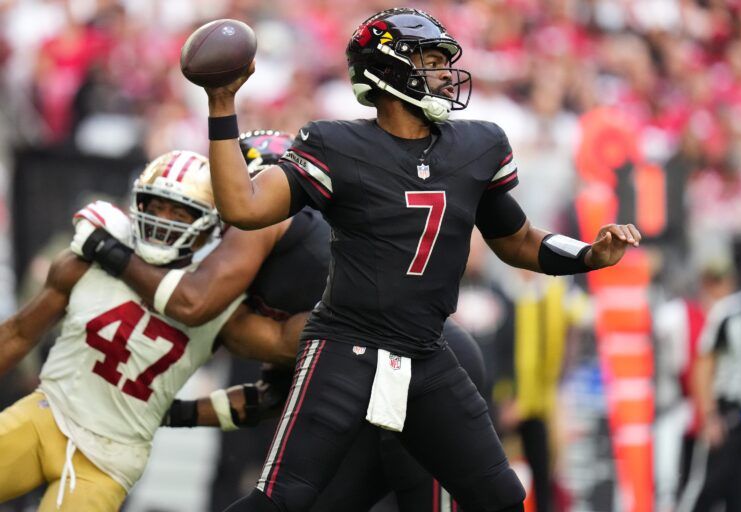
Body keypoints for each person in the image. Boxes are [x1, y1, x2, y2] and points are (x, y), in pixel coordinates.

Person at [201, 8, 641, 512]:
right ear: (385, 71)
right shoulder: (335, 144)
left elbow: (516, 239)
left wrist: (588, 254)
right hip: (347, 346)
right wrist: (221, 104)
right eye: (430, 61)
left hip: (425, 351)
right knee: (282, 501)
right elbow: (244, 206)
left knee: (502, 499)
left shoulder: (477, 146)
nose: (444, 75)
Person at [74, 130, 492, 511]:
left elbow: (197, 306)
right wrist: (168, 412)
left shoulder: (268, 226)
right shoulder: (272, 276)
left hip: (419, 372)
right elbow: (267, 397)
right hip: (373, 386)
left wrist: (108, 252)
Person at [0, 150, 305, 511]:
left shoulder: (218, 306)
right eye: (156, 205)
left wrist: (183, 414)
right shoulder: (88, 260)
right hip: (45, 414)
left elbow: (287, 362)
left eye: (180, 212)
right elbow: (19, 333)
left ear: (208, 224)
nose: (163, 220)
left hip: (108, 460)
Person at [677, 248, 741, 512]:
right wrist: (709, 416)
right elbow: (703, 365)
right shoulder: (729, 314)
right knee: (715, 492)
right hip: (733, 420)